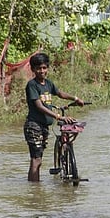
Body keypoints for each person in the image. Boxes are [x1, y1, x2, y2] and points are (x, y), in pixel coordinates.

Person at [24, 52, 84, 182]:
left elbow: (59, 93)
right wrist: (58, 117)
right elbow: (39, 106)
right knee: (36, 160)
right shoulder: (32, 85)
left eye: (44, 68)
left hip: (44, 126)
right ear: (33, 69)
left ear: (48, 68)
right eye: (38, 68)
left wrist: (75, 98)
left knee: (39, 159)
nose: (42, 71)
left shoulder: (48, 84)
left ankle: (36, 189)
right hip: (34, 126)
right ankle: (34, 192)